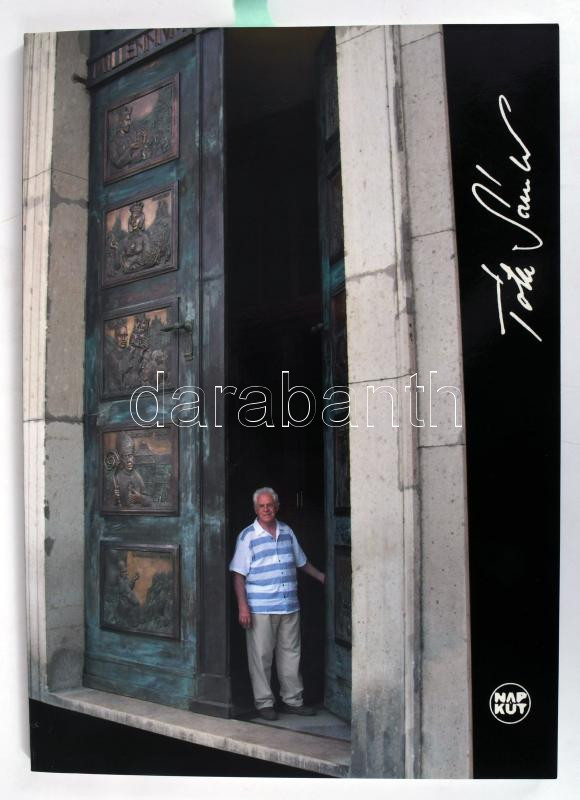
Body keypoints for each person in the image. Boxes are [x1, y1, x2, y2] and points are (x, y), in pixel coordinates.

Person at [229, 487, 325, 721]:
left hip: (289, 605)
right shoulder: (248, 536)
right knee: (261, 657)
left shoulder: (287, 532)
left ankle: (293, 700)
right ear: (256, 509)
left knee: (291, 655)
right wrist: (243, 607)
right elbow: (238, 575)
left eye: (270, 505)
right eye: (261, 506)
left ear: (277, 507)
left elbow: (301, 563)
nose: (266, 509)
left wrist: (323, 577)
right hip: (260, 608)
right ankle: (264, 703)